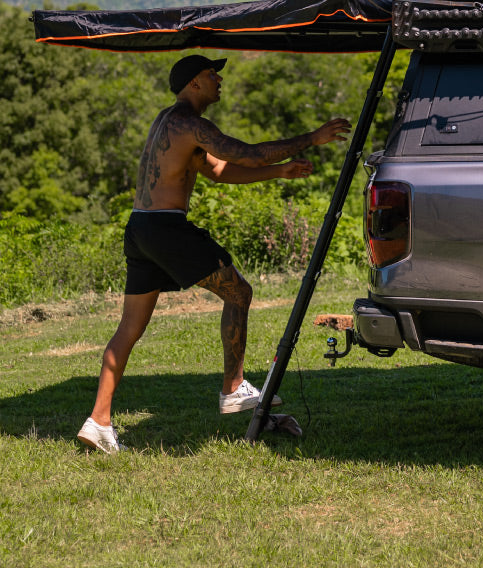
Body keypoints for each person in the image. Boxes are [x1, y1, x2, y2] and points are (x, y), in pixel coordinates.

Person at [77, 53, 350, 454]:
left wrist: (279, 170)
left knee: (128, 329)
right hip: (166, 228)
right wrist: (311, 137)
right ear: (194, 83)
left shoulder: (166, 122)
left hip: (140, 228)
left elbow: (219, 170)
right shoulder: (191, 123)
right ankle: (233, 387)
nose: (219, 78)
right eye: (211, 73)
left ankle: (98, 421)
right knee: (238, 292)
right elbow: (245, 153)